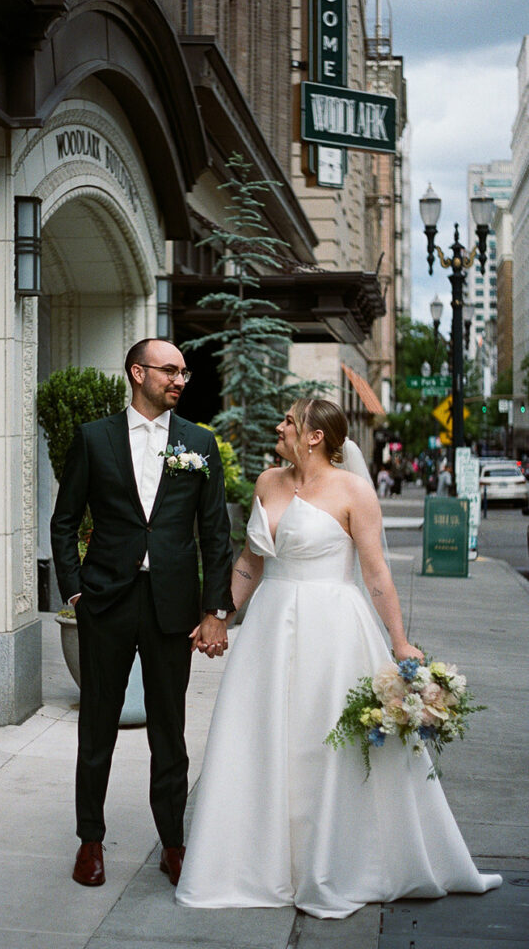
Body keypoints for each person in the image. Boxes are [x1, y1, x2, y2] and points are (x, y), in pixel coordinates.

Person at [176, 397, 501, 918]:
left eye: (288, 421)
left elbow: (375, 576)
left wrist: (399, 641)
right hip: (269, 628)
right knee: (263, 738)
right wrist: (220, 615)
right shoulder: (267, 482)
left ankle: (333, 862)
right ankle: (258, 865)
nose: (278, 426)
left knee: (324, 743)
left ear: (314, 436)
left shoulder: (354, 491)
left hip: (333, 630)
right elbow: (250, 562)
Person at [51, 338, 234, 890]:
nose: (181, 379)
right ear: (138, 373)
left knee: (170, 731)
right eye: (170, 370)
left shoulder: (199, 443)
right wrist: (76, 591)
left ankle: (174, 844)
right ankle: (90, 842)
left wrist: (214, 610)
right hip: (106, 601)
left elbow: (216, 533)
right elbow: (64, 521)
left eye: (185, 372)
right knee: (97, 729)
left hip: (171, 607)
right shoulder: (94, 438)